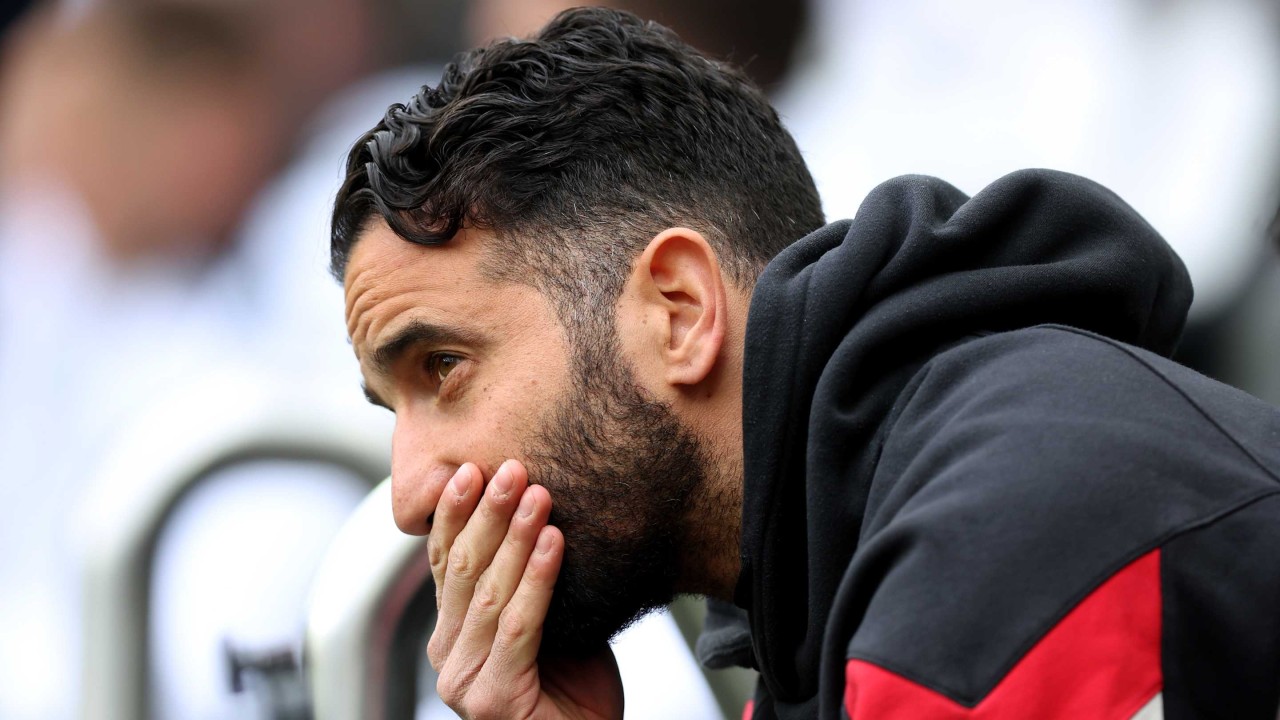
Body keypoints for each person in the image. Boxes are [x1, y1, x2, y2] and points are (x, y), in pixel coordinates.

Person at [330, 7, 1280, 719]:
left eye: (443, 368)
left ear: (679, 312)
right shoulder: (817, 616)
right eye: (391, 407)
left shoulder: (1008, 540)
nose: (409, 496)